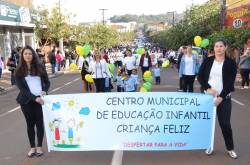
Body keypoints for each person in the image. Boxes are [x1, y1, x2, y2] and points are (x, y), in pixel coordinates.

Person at [198, 39, 238, 159]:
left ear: (225, 48)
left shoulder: (231, 63)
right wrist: (208, 88)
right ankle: (208, 145)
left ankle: (230, 148)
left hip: (224, 98)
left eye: (221, 46)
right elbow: (200, 76)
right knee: (207, 123)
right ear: (214, 48)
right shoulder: (208, 61)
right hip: (207, 97)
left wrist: (221, 97)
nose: (219, 48)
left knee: (225, 124)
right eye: (216, 46)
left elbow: (230, 84)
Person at [15, 45, 50, 158]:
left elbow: (47, 82)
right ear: (22, 56)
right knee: (30, 124)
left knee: (40, 124)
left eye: (30, 53)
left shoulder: (40, 67)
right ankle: (32, 148)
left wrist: (44, 90)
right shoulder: (19, 70)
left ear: (33, 55)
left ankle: (39, 147)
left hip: (41, 101)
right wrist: (35, 98)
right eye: (25, 54)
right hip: (26, 101)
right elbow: (23, 89)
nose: (28, 55)